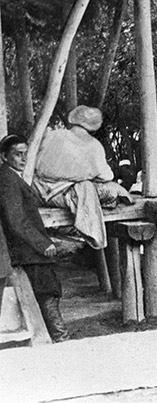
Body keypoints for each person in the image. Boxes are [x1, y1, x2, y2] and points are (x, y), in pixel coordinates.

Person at [0, 135, 69, 342]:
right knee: (47, 291)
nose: (23, 158)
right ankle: (61, 338)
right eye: (17, 154)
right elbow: (15, 220)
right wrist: (43, 244)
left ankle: (56, 337)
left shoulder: (11, 176)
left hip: (27, 247)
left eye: (25, 154)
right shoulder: (7, 180)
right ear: (4, 156)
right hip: (26, 249)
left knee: (48, 290)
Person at [33, 105, 132, 249]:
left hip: (37, 190)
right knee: (110, 190)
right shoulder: (94, 146)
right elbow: (106, 176)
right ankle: (85, 231)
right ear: (94, 128)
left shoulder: (53, 135)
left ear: (72, 120)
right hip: (63, 196)